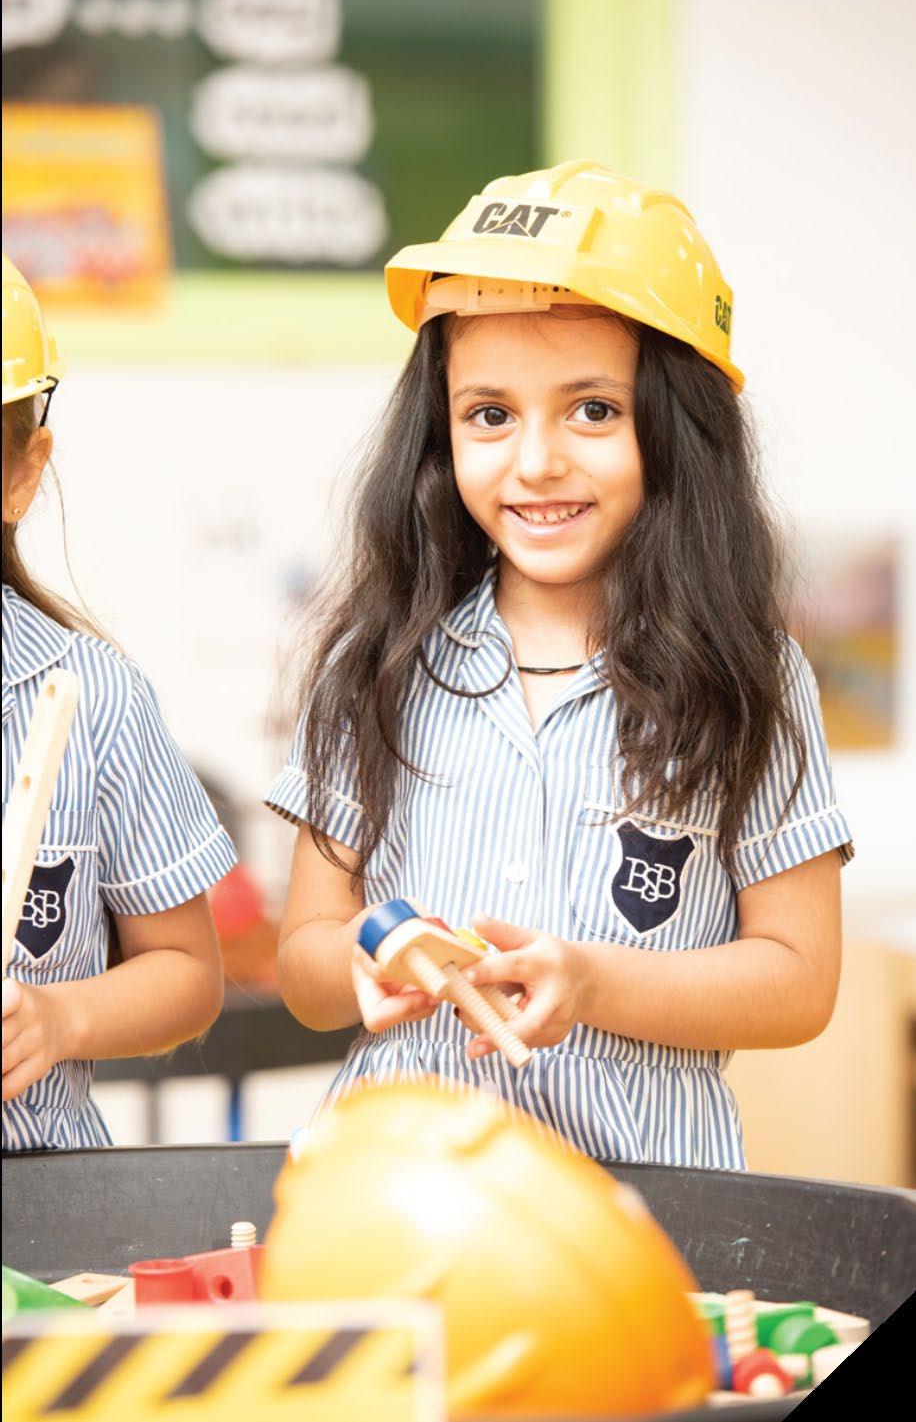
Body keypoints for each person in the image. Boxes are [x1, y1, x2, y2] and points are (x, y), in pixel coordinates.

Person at [267, 162, 852, 1168]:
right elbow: (303, 962)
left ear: (676, 431)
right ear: (440, 435)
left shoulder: (752, 675)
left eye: (593, 410)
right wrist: (373, 958)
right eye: (489, 415)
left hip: (647, 1211)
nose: (536, 462)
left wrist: (593, 982)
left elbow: (800, 980)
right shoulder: (376, 665)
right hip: (400, 1191)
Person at [2, 255, 236, 1150]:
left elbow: (186, 973)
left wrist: (57, 1019)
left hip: (49, 1198)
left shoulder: (94, 696)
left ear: (21, 475)